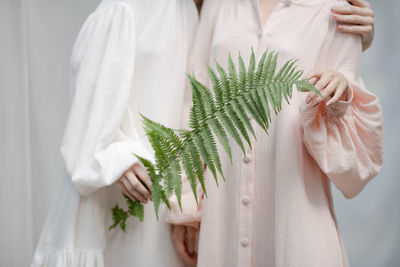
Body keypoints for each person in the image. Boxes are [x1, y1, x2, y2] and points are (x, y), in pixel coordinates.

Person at [167, 0, 382, 266]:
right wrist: (183, 209)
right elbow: (194, 103)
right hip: (223, 228)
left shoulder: (337, 10)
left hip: (296, 227)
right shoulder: (218, 5)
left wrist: (340, 96)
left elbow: (353, 170)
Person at [31, 0, 199, 266]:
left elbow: (190, 108)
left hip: (161, 203)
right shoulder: (126, 7)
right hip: (115, 191)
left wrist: (184, 210)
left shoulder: (187, 10)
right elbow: (89, 100)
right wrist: (115, 154)